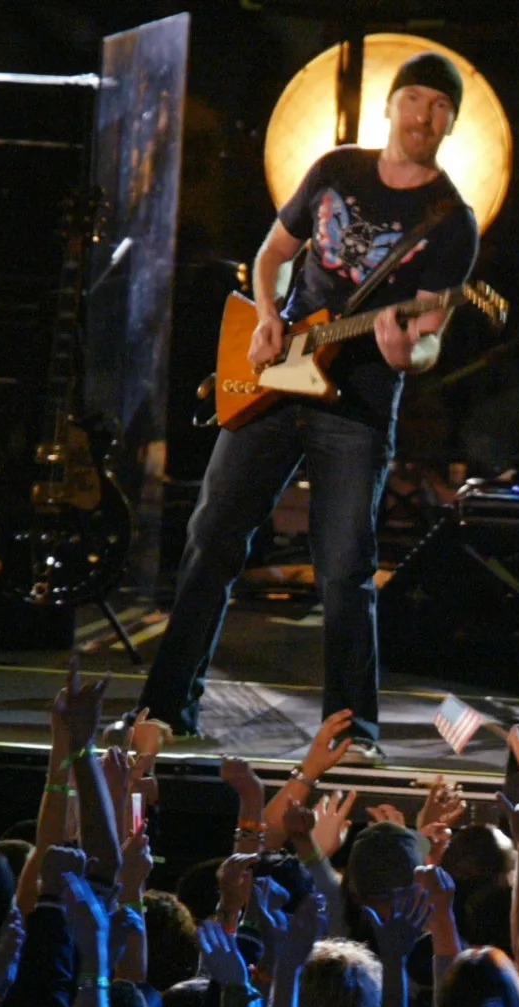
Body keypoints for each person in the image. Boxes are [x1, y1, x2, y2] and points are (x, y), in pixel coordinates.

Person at [138, 51, 480, 755]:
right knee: (211, 538)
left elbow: (429, 338)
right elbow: (271, 254)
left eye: (441, 107)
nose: (426, 115)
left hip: (357, 403)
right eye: (416, 99)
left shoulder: (451, 220)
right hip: (280, 371)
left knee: (345, 569)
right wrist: (267, 316)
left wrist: (402, 350)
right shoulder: (336, 171)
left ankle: (352, 732)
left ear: (452, 122)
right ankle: (166, 708)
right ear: (392, 105)